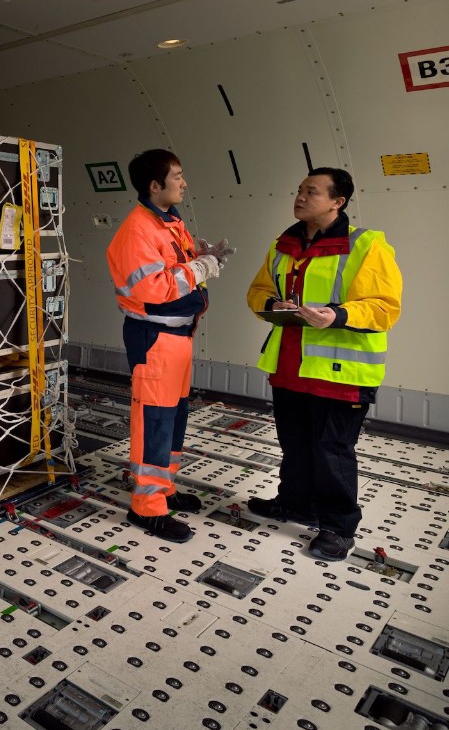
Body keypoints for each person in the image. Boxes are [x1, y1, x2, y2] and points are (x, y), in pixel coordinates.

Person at [245, 167, 401, 561]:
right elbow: (258, 291)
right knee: (295, 445)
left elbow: (385, 307)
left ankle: (338, 527)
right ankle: (294, 503)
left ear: (337, 202)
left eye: (311, 192)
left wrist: (337, 314)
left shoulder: (366, 245)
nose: (300, 197)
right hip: (290, 367)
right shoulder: (283, 245)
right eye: (299, 190)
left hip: (342, 374)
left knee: (333, 451)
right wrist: (272, 304)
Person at [106, 149, 234, 543]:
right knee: (155, 421)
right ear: (154, 185)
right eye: (177, 176)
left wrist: (202, 258)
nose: (184, 183)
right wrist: (199, 267)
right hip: (155, 338)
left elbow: (179, 269)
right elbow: (154, 288)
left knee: (175, 416)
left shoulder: (169, 222)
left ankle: (164, 489)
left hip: (178, 337)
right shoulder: (137, 230)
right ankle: (147, 507)